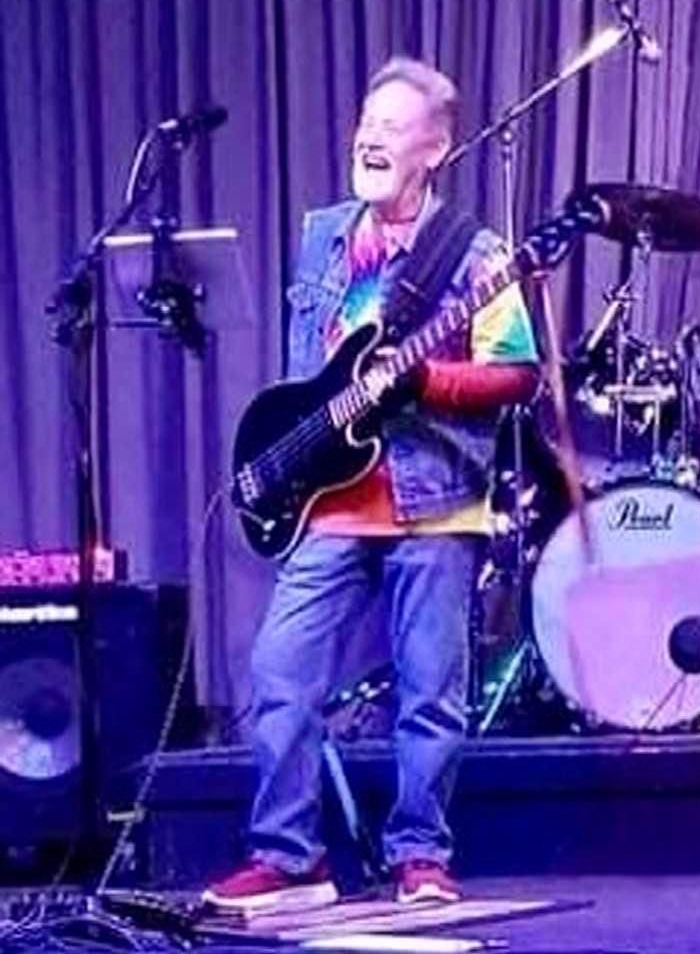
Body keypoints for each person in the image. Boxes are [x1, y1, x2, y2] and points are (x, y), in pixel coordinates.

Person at [203, 56, 539, 911]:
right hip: (330, 499)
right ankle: (290, 858)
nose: (369, 136)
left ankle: (420, 855)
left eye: (391, 125)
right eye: (365, 120)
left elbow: (516, 373)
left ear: (436, 147)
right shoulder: (323, 234)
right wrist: (292, 455)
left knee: (430, 697)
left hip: (436, 502)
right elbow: (306, 374)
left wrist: (421, 380)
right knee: (279, 673)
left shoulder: (476, 253)